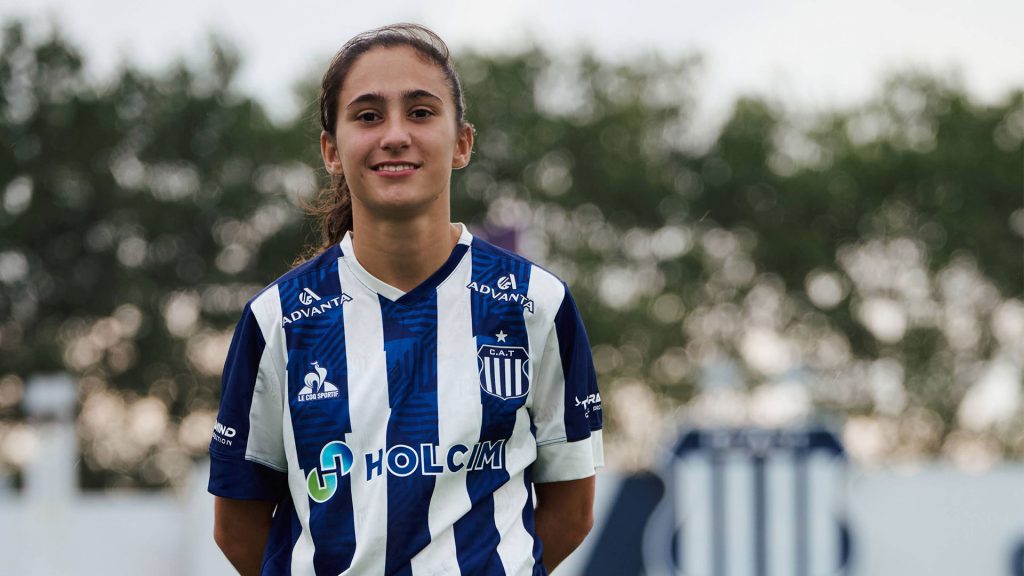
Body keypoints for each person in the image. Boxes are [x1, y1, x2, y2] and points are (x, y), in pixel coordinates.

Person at [208, 23, 603, 576]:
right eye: (368, 116)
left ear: (461, 143)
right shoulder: (278, 319)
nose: (395, 135)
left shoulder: (535, 304)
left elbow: (572, 511)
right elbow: (237, 527)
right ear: (331, 150)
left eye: (420, 112)